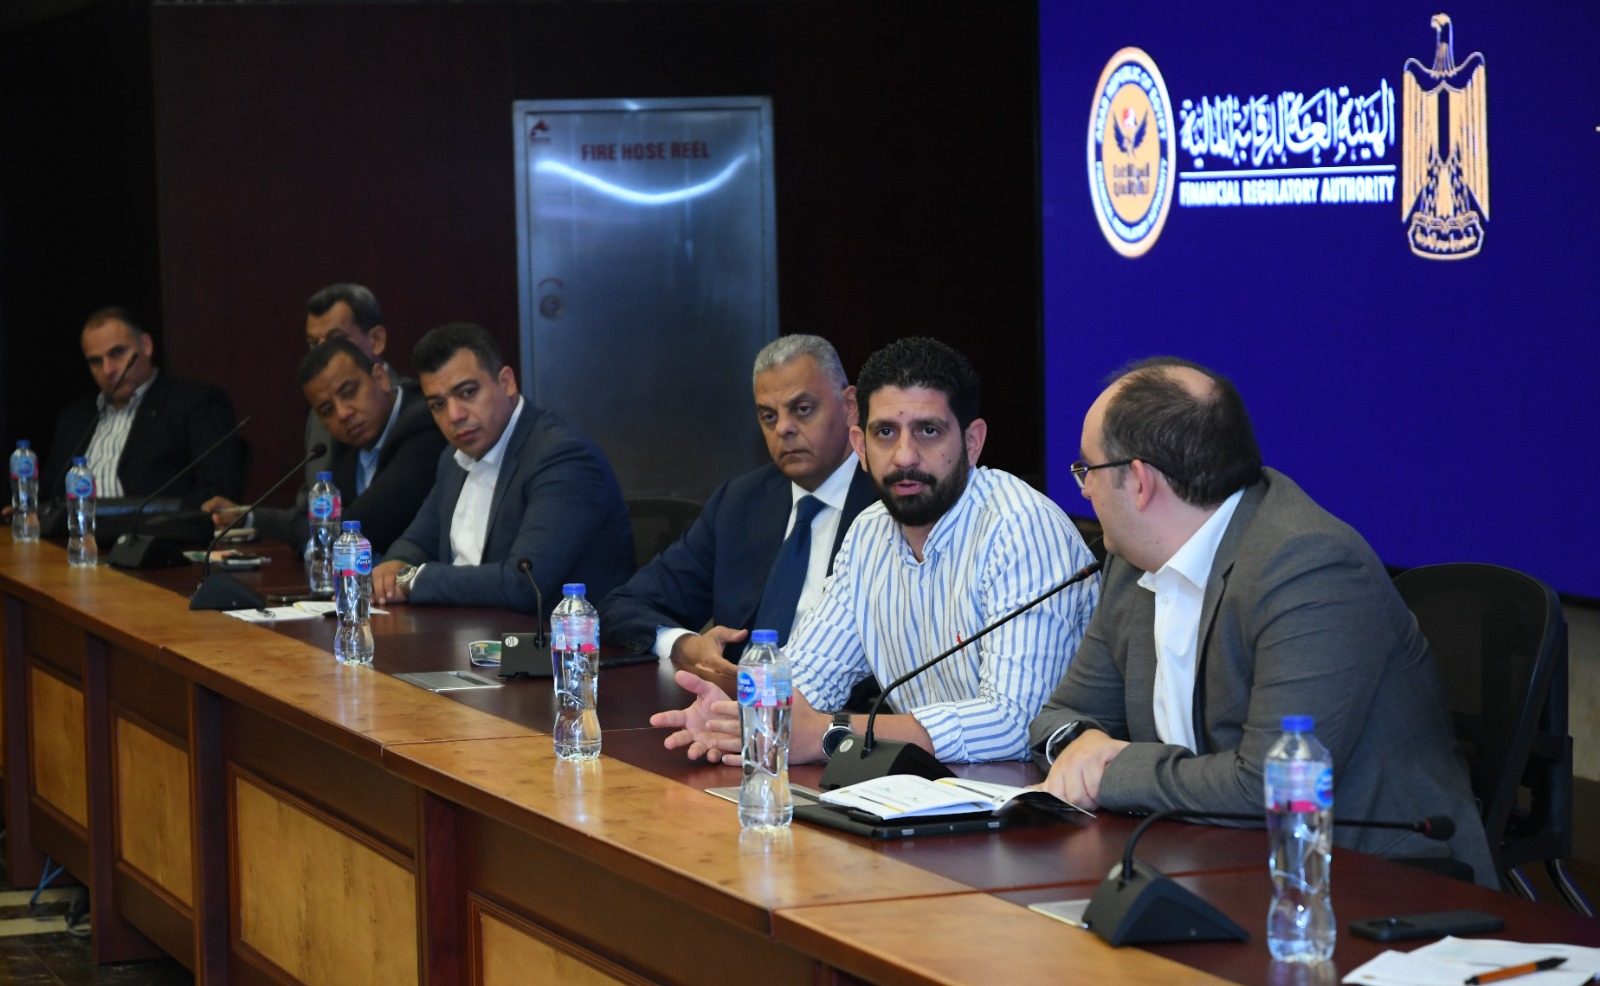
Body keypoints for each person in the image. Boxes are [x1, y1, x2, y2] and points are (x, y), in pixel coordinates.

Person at [1029, 356, 1495, 883]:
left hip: (1367, 880)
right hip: (1201, 856)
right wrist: (1081, 746)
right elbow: (1062, 715)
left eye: (1087, 470)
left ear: (1139, 481)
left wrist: (1111, 769)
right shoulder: (1133, 560)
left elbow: (1271, 789)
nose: (1084, 490)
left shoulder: (1308, 567)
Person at [652, 337, 1099, 765]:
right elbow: (807, 677)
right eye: (885, 432)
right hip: (925, 789)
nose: (904, 457)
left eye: (928, 431)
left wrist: (831, 732)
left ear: (972, 442)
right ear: (861, 447)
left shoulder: (1020, 529)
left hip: (1036, 799)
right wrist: (740, 716)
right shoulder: (869, 534)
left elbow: (1017, 726)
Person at [599, 335, 879, 687]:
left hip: (844, 712)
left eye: (802, 409)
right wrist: (687, 645)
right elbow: (623, 606)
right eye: (768, 416)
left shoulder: (890, 501)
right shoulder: (740, 502)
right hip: (734, 704)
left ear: (850, 405)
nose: (783, 428)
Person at [372, 322, 633, 611]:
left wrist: (413, 580)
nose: (454, 415)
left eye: (467, 393)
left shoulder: (563, 458)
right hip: (469, 627)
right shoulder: (454, 457)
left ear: (507, 382)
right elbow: (418, 541)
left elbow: (524, 584)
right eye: (438, 405)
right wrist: (396, 565)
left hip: (551, 636)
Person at [201, 336, 445, 555]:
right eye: (327, 410)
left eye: (349, 393)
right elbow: (305, 519)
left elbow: (364, 526)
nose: (343, 414)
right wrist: (322, 536)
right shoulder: (346, 444)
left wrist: (320, 540)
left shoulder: (423, 424)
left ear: (380, 378)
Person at [42, 307, 244, 509]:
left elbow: (217, 492)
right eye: (96, 361)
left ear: (146, 346)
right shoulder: (74, 417)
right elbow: (48, 496)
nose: (108, 369)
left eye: (118, 353)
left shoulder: (195, 403)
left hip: (157, 528)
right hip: (76, 528)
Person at [301, 283, 407, 486]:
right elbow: (313, 499)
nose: (323, 353)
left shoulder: (415, 404)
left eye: (336, 340)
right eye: (314, 344)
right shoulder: (318, 416)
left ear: (376, 339)